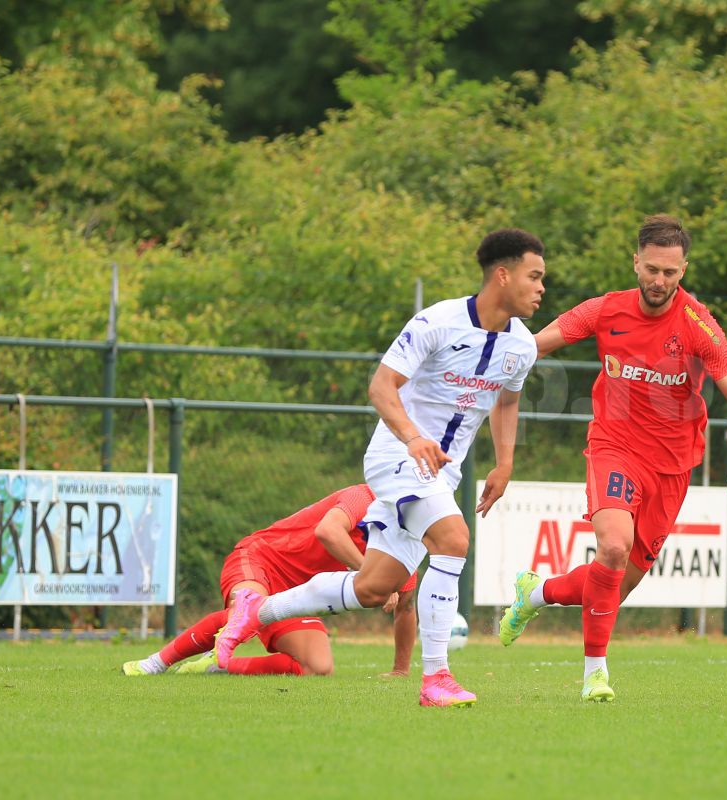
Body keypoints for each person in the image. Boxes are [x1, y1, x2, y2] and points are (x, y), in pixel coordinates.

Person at [213, 228, 546, 707]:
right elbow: (381, 386)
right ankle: (436, 679)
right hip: (398, 456)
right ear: (503, 275)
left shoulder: (523, 346)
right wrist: (413, 437)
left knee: (374, 587)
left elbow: (507, 403)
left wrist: (505, 463)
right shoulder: (437, 321)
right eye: (534, 276)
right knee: (453, 540)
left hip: (441, 474)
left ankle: (257, 610)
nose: (541, 288)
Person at [496, 214, 727, 702]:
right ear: (635, 262)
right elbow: (535, 346)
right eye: (652, 269)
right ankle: (594, 675)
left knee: (613, 587)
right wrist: (483, 365)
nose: (660, 281)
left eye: (670, 272)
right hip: (614, 448)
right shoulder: (605, 310)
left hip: (673, 467)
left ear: (683, 271)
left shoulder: (698, 325)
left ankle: (534, 593)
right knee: (613, 547)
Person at [121, 483, 416, 677]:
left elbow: (405, 606)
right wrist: (368, 574)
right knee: (244, 608)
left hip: (296, 595)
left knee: (318, 666)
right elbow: (328, 531)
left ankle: (218, 666)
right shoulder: (364, 496)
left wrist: (400, 670)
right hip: (261, 558)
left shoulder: (406, 537)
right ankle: (155, 663)